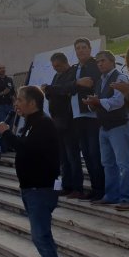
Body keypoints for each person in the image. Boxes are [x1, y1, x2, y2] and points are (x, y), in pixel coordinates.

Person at [0, 86, 70, 257]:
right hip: (31, 188)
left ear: (32, 103)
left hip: (41, 188)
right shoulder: (31, 123)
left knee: (42, 239)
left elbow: (27, 149)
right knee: (40, 239)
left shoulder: (43, 124)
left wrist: (7, 133)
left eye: (20, 100)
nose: (16, 104)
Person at [84, 50, 129, 210]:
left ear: (112, 61)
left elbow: (118, 102)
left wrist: (98, 101)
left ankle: (128, 198)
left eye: (103, 60)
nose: (99, 64)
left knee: (124, 164)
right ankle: (111, 195)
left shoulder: (120, 77)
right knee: (108, 163)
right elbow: (101, 102)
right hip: (104, 126)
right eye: (98, 61)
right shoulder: (100, 81)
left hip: (118, 125)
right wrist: (92, 104)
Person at [41, 52, 84, 198]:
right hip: (57, 120)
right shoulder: (57, 76)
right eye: (54, 66)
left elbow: (66, 89)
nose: (56, 69)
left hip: (69, 121)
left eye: (58, 66)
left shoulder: (73, 73)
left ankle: (77, 187)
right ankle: (67, 185)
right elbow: (53, 93)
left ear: (65, 63)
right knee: (63, 157)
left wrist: (52, 89)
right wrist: (49, 91)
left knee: (72, 156)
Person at [71, 38, 104, 201]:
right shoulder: (75, 68)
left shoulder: (94, 65)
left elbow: (91, 83)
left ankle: (101, 189)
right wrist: (77, 83)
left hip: (92, 115)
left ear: (90, 49)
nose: (81, 50)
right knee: (87, 154)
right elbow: (65, 87)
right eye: (78, 48)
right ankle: (94, 188)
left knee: (94, 153)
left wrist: (73, 85)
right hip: (77, 116)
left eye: (84, 47)